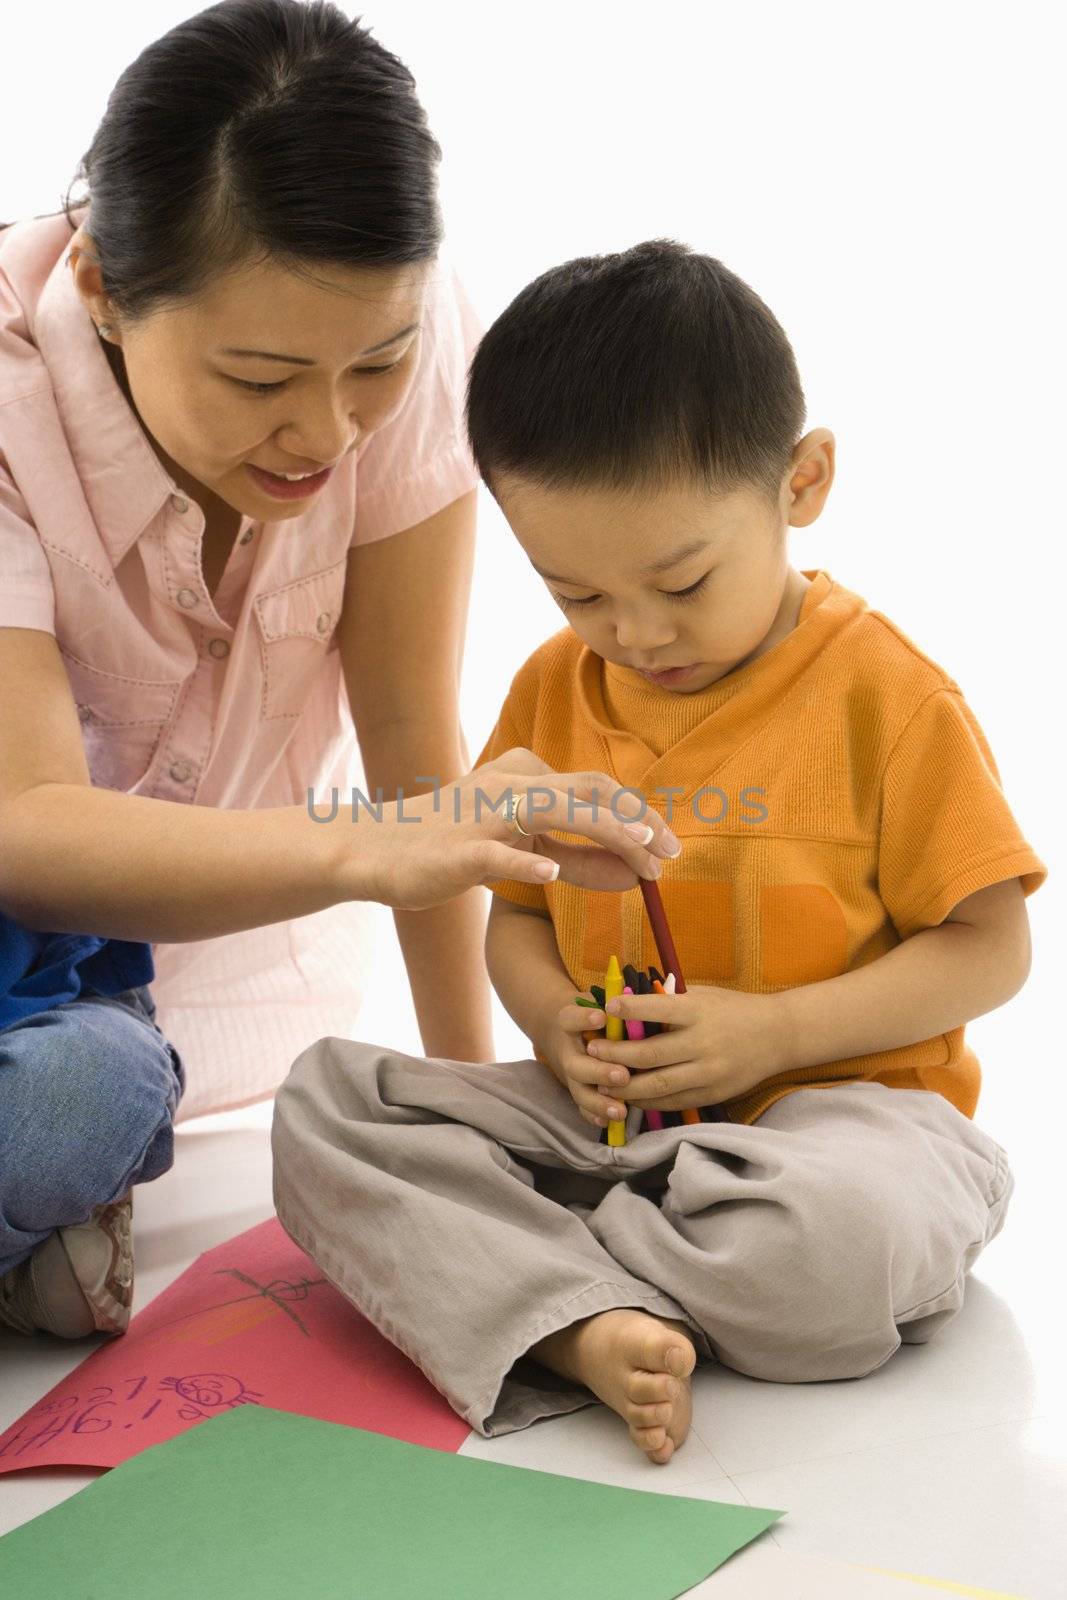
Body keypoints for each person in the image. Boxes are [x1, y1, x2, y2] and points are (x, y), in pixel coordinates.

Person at [271, 238, 1047, 1466]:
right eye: (574, 594)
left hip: (845, 1126)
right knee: (327, 1105)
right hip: (619, 1137)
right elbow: (517, 914)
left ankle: (533, 1281)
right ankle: (597, 1312)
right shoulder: (552, 689)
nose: (633, 633)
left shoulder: (888, 699)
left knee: (829, 1236)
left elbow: (990, 950)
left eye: (680, 580)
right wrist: (547, 1029)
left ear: (800, 481)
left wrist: (776, 1035)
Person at [0, 1, 674, 1342]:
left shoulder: (389, 338)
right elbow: (24, 826)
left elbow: (417, 741)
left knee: (83, 1093)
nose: (326, 428)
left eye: (375, 363)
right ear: (99, 290)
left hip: (124, 1050)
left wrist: (472, 1118)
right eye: (257, 378)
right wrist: (375, 842)